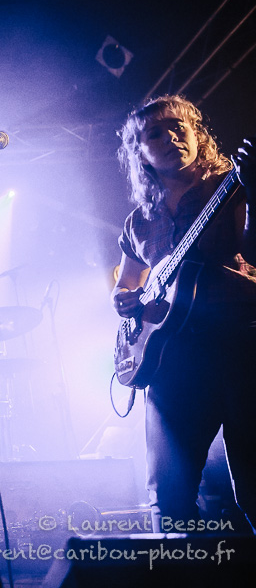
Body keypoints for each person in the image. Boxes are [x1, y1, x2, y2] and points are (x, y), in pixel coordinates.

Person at [111, 94, 256, 533]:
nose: (171, 136)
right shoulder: (139, 220)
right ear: (141, 153)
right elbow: (127, 281)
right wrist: (123, 299)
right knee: (169, 495)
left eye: (179, 127)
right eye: (156, 133)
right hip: (172, 360)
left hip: (241, 343)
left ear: (198, 135)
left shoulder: (230, 185)